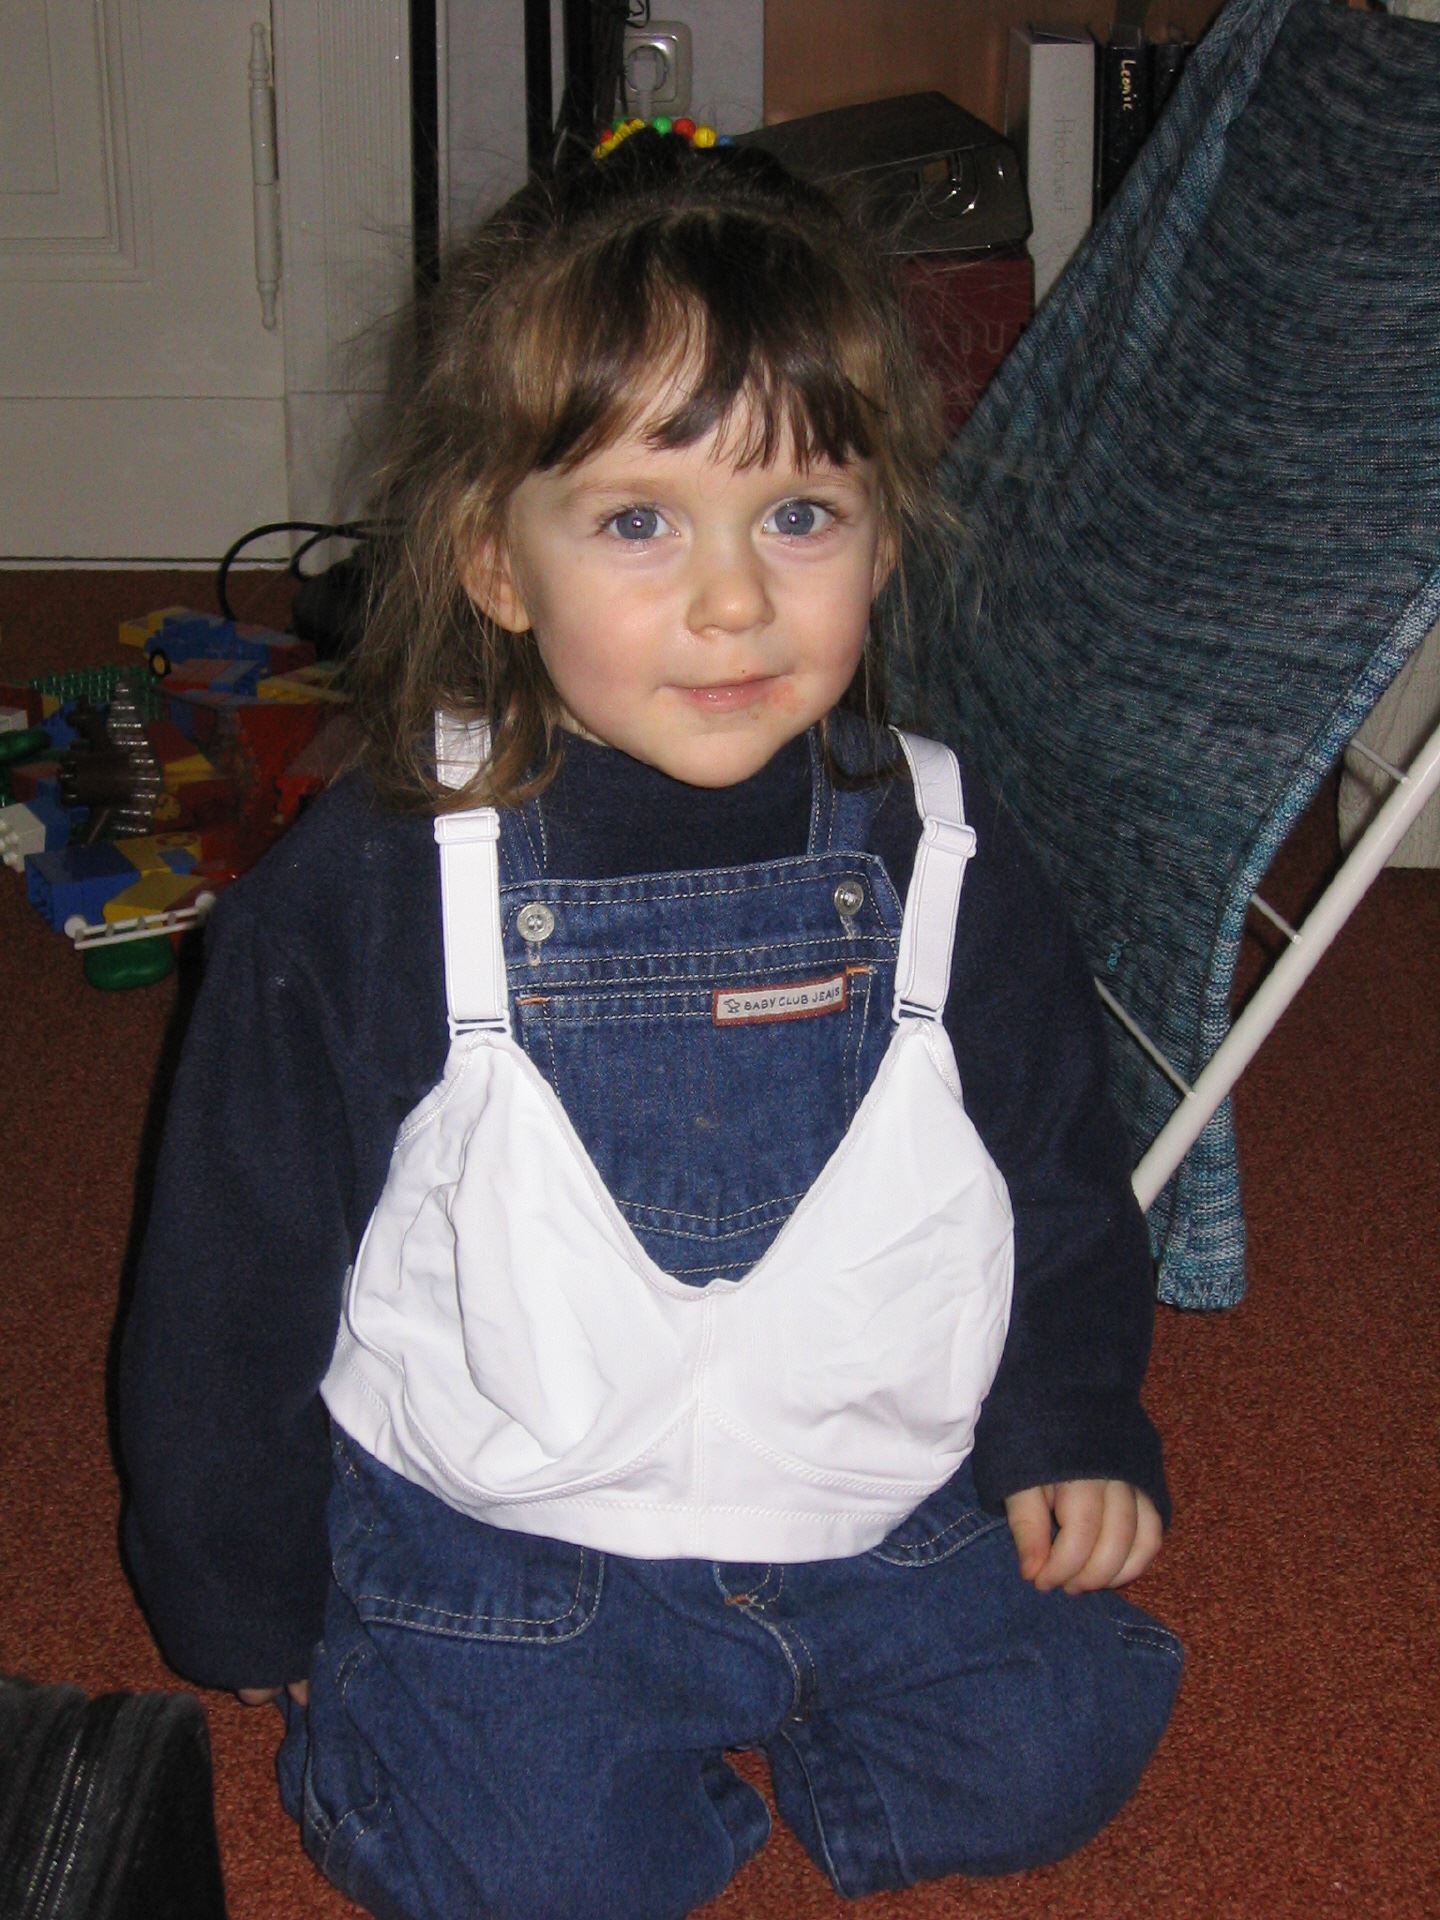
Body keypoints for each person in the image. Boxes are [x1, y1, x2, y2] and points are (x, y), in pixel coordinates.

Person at [119, 126, 1182, 1920]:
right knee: (534, 1869)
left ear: (883, 533)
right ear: (496, 564)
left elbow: (1055, 1173)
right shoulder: (376, 882)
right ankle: (482, 1728)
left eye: (800, 515)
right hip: (514, 1531)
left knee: (1067, 1738)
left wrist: (1070, 1413)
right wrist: (238, 1595)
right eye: (637, 521)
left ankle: (749, 1722)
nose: (733, 598)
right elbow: (233, 1275)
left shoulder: (946, 851)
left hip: (875, 1505)